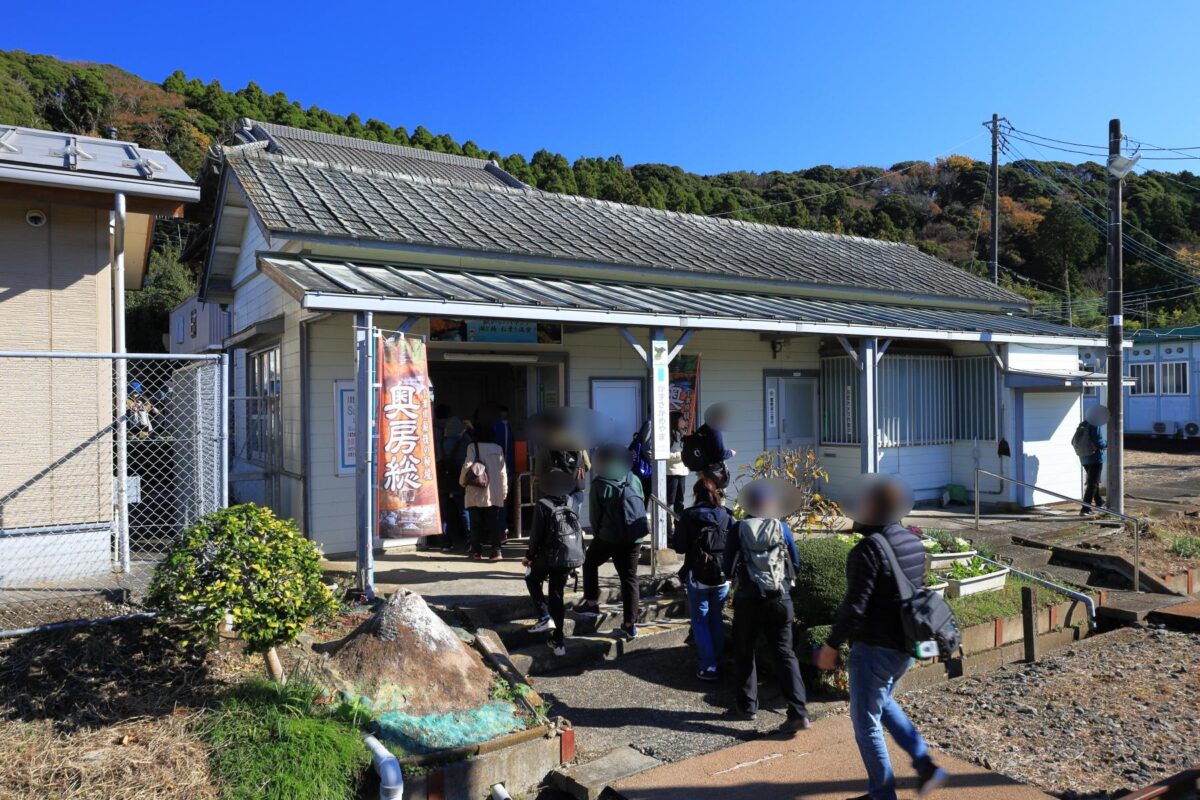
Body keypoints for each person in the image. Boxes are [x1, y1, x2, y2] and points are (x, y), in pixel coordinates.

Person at [815, 475, 949, 800]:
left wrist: (831, 646)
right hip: (905, 646)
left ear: (872, 508)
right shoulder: (911, 541)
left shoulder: (866, 551)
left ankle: (883, 794)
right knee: (884, 703)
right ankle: (925, 765)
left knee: (865, 724)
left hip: (874, 648)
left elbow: (854, 607)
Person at [722, 481, 809, 732]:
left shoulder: (738, 528)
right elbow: (796, 563)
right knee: (785, 654)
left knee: (744, 651)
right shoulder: (782, 528)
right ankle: (798, 712)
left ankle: (747, 707)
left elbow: (727, 568)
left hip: (749, 600)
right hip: (780, 600)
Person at [575, 444, 648, 639]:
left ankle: (591, 604)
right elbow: (642, 501)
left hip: (610, 537)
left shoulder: (600, 484)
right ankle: (630, 625)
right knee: (630, 579)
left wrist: (602, 534)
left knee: (590, 561)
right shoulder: (634, 479)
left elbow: (595, 518)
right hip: (635, 537)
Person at [672, 474, 733, 681]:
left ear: (696, 494)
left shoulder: (689, 516)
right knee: (716, 618)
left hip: (698, 576)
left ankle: (709, 666)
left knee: (701, 621)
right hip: (723, 576)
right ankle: (718, 658)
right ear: (716, 493)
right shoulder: (726, 514)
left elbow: (679, 546)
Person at [523, 471, 586, 657]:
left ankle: (543, 616)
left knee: (532, 579)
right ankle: (559, 642)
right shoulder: (571, 501)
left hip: (548, 556)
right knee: (557, 596)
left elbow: (536, 535)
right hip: (567, 556)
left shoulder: (543, 504)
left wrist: (529, 556)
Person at [459, 420, 509, 562]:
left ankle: (477, 552)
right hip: (494, 492)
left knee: (476, 523)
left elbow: (467, 466)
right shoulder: (498, 448)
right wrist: (504, 490)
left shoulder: (472, 447)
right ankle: (496, 552)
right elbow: (503, 471)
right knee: (494, 523)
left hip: (476, 490)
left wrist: (462, 482)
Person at [438, 415, 473, 553]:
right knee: (464, 511)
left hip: (443, 480)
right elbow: (473, 450)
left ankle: (445, 543)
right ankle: (470, 540)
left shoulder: (440, 442)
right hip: (459, 479)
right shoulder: (464, 441)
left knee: (443, 512)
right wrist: (469, 429)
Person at [1076, 405, 1109, 514]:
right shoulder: (1095, 425)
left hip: (1084, 458)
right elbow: (1099, 442)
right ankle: (1085, 508)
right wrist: (1108, 443)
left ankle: (1099, 501)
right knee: (1092, 483)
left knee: (1093, 481)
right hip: (1095, 458)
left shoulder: (1083, 424)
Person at [666, 411, 688, 525]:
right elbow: (664, 454)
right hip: (671, 472)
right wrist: (681, 455)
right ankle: (668, 531)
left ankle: (679, 527)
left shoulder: (683, 434)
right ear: (675, 420)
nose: (684, 421)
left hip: (682, 471)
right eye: (682, 419)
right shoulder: (668, 435)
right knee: (670, 501)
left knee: (680, 501)